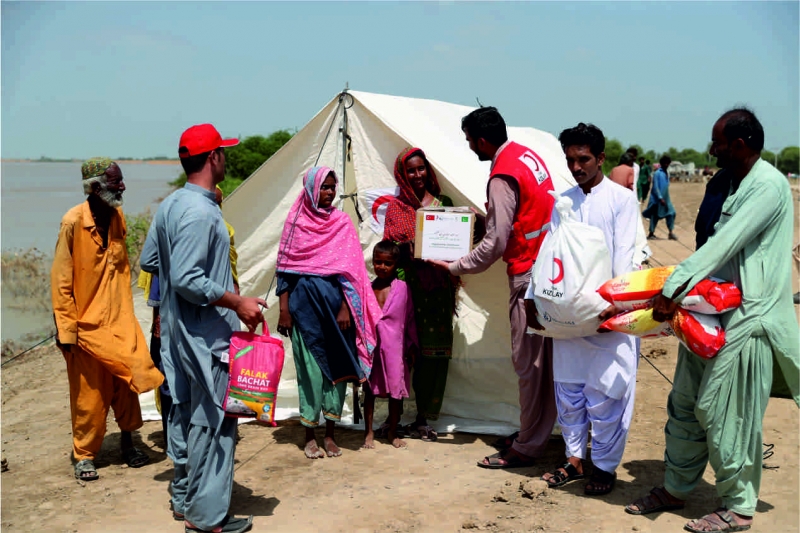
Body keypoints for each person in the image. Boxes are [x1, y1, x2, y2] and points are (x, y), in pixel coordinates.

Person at [625, 108, 799, 533]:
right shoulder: (725, 182)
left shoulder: (768, 187)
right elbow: (706, 241)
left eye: (717, 143)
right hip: (706, 313)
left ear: (739, 145)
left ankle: (739, 507)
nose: (711, 149)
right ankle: (675, 487)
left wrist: (673, 288)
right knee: (684, 404)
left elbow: (724, 245)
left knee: (727, 412)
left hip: (746, 321)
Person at [140, 123, 265, 533]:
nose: (226, 158)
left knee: (186, 414)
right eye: (223, 152)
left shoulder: (172, 204)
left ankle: (184, 499)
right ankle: (207, 518)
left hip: (179, 333)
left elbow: (150, 262)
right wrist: (237, 301)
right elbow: (188, 280)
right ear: (212, 157)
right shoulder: (198, 212)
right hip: (206, 337)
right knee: (214, 420)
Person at [429, 106, 557, 469]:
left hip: (528, 275)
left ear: (482, 140)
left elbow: (497, 242)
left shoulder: (501, 174)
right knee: (543, 363)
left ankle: (528, 446)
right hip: (548, 269)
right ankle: (534, 431)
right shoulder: (527, 156)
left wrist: (454, 266)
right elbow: (522, 217)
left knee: (528, 363)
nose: (470, 147)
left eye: (470, 140)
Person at [528, 123, 639, 496]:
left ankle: (605, 467)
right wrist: (533, 298)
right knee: (570, 393)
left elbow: (625, 255)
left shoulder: (621, 201)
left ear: (601, 158)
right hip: (568, 319)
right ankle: (573, 459)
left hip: (609, 318)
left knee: (608, 394)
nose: (576, 167)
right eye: (570, 160)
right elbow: (549, 256)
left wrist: (615, 306)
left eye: (584, 159)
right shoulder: (563, 201)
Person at [52, 157, 164, 483]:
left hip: (120, 320)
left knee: (128, 383)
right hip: (86, 327)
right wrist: (66, 331)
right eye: (116, 182)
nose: (123, 187)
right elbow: (60, 281)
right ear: (96, 187)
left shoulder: (117, 216)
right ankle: (84, 454)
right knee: (89, 394)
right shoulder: (72, 222)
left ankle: (129, 443)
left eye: (121, 180)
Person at [276, 166, 382, 459]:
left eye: (333, 187)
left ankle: (331, 434)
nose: (330, 192)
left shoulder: (342, 223)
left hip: (337, 314)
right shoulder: (296, 222)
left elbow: (352, 273)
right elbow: (284, 271)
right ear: (311, 189)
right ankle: (310, 435)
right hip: (303, 312)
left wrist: (346, 307)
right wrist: (284, 310)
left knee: (336, 372)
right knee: (308, 373)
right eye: (324, 187)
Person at [382, 147, 459, 442]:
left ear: (428, 170)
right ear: (403, 174)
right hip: (409, 290)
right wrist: (407, 248)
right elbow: (387, 253)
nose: (417, 175)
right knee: (404, 354)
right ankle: (395, 417)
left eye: (421, 169)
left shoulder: (445, 204)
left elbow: (458, 242)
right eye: (411, 170)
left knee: (436, 356)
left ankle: (424, 417)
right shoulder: (396, 208)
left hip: (439, 290)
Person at [362, 240, 419, 450]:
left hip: (395, 349)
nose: (382, 267)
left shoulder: (403, 289)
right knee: (369, 390)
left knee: (396, 391)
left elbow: (410, 317)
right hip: (371, 348)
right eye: (378, 262)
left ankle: (393, 431)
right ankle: (369, 432)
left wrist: (412, 345)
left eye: (387, 263)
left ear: (396, 264)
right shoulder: (368, 289)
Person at [643, 155, 678, 240]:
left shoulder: (667, 173)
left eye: (667, 163)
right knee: (654, 216)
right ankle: (651, 233)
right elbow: (655, 187)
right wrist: (660, 197)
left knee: (671, 213)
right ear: (661, 163)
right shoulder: (657, 173)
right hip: (656, 199)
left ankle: (670, 232)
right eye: (664, 163)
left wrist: (664, 197)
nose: (666, 164)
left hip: (666, 198)